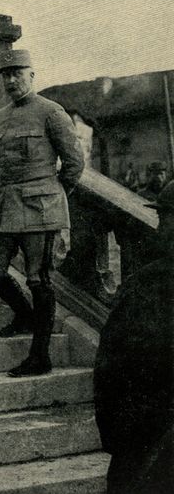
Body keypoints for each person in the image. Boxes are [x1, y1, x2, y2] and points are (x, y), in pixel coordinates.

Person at [0, 49, 84, 377]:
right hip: (4, 208)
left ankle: (40, 356)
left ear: (32, 75)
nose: (11, 80)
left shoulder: (51, 112)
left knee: (39, 279)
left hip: (40, 209)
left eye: (17, 73)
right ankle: (24, 315)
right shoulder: (0, 116)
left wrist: (53, 195)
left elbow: (74, 163)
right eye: (5, 75)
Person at [94, 181, 174, 494]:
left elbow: (111, 366)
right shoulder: (148, 280)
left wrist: (117, 436)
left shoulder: (148, 282)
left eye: (165, 219)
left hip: (148, 439)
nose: (159, 228)